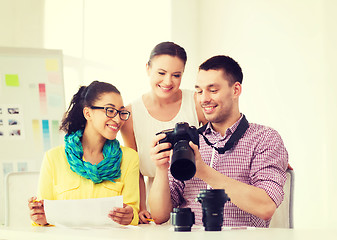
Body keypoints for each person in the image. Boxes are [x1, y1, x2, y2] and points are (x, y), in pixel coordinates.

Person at [148, 55, 289, 228]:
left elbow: (266, 206)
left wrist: (204, 172)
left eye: (212, 90)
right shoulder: (189, 140)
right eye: (199, 91)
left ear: (236, 90)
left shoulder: (265, 138)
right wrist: (161, 168)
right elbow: (158, 215)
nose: (203, 99)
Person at [28, 81, 140, 226]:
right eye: (110, 110)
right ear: (88, 113)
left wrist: (130, 216)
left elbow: (133, 212)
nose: (118, 119)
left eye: (120, 112)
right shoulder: (53, 158)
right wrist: (39, 218)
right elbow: (43, 217)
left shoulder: (129, 158)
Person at [121, 41, 207, 223]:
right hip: (155, 207)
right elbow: (134, 167)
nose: (168, 81)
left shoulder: (196, 102)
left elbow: (221, 139)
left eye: (176, 75)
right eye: (161, 73)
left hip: (195, 199)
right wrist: (140, 206)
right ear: (148, 69)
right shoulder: (131, 114)